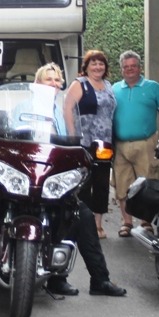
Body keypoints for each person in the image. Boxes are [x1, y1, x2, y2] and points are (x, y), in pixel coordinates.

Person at [19, 65, 126, 298]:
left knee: (82, 216)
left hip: (54, 181)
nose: (54, 84)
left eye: (57, 80)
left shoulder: (59, 112)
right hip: (27, 182)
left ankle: (97, 280)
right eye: (48, 79)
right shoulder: (23, 108)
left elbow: (68, 143)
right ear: (37, 83)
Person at [112, 50, 159, 237]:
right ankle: (126, 222)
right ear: (121, 69)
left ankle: (145, 222)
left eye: (133, 66)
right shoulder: (114, 89)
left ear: (140, 68)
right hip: (120, 144)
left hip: (146, 143)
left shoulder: (153, 87)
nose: (130, 69)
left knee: (148, 183)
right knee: (122, 184)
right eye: (126, 67)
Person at [64, 50, 116, 237]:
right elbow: (67, 108)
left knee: (101, 184)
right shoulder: (80, 84)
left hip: (104, 144)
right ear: (86, 67)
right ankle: (83, 224)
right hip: (84, 142)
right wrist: (72, 135)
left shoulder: (108, 86)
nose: (97, 67)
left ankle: (98, 225)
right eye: (93, 63)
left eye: (101, 64)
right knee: (84, 183)